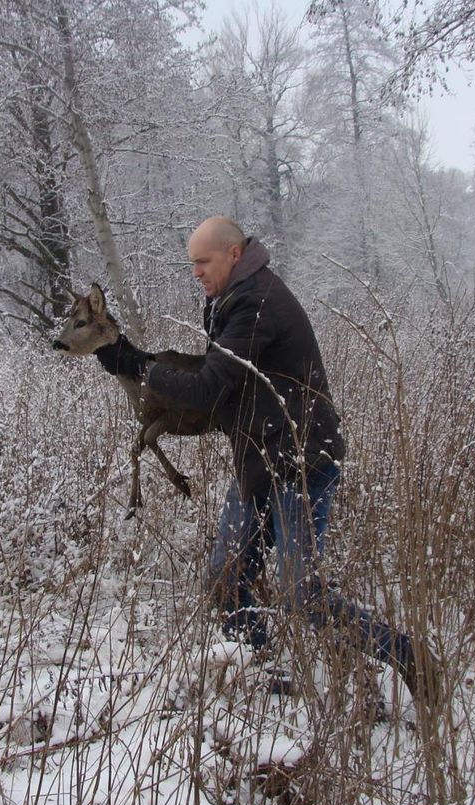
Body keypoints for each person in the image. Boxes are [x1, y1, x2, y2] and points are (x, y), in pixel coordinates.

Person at [94, 216, 427, 700]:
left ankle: (409, 658)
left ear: (234, 254)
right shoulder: (228, 299)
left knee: (301, 593)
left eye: (203, 262)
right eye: (191, 264)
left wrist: (138, 366)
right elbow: (224, 382)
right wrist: (138, 363)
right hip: (260, 455)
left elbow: (209, 386)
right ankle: (257, 667)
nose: (196, 273)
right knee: (226, 581)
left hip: (301, 461)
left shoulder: (256, 303)